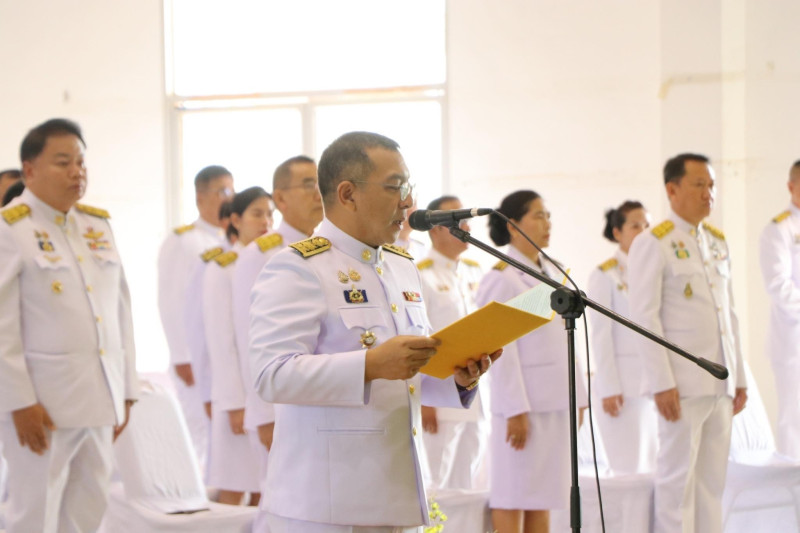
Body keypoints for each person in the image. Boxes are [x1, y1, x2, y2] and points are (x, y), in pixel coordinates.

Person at [249, 131, 500, 532]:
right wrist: (368, 365)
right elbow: (271, 374)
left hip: (398, 494)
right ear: (348, 194)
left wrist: (457, 376)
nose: (408, 202)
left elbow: (408, 374)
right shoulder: (298, 266)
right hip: (327, 505)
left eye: (408, 187)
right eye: (395, 187)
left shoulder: (402, 266)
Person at [0, 118, 139, 532]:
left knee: (88, 511)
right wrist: (19, 402)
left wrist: (127, 390)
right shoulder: (11, 229)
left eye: (80, 162)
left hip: (100, 398)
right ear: (29, 170)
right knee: (34, 514)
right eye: (63, 163)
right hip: (42, 407)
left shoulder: (97, 226)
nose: (77, 172)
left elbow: (120, 311)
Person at [628, 153, 747, 533]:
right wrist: (662, 382)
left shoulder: (716, 241)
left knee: (711, 485)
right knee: (677, 484)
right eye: (699, 185)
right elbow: (645, 318)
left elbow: (729, 314)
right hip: (681, 386)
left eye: (711, 185)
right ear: (672, 189)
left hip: (719, 383)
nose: (708, 193)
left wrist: (739, 378)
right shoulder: (654, 242)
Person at [476, 189, 587, 533]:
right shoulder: (502, 277)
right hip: (523, 407)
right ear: (513, 225)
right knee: (513, 494)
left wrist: (579, 397)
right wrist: (515, 409)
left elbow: (564, 340)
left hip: (554, 402)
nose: (546, 223)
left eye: (548, 215)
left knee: (544, 496)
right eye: (538, 216)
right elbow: (499, 349)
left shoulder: (555, 274)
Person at [231, 157, 322, 499]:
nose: (318, 193)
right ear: (280, 198)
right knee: (282, 502)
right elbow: (249, 338)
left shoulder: (330, 249)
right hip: (279, 407)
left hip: (320, 400)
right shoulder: (260, 254)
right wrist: (264, 413)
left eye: (321, 183)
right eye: (308, 184)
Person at [157, 165, 233, 470]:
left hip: (220, 354)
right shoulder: (184, 241)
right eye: (223, 191)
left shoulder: (229, 241)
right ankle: (192, 491)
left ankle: (214, 489)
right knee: (197, 430)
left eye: (232, 190)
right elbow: (170, 301)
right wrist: (181, 356)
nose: (230, 197)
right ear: (201, 197)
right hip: (194, 356)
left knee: (221, 432)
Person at [203, 187, 272, 505]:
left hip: (266, 394)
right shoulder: (223, 268)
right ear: (235, 220)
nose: (266, 221)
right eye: (257, 214)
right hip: (239, 396)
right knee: (233, 486)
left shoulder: (274, 262)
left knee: (264, 489)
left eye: (270, 214)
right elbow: (222, 340)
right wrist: (234, 404)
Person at [417, 194, 489, 491]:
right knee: (437, 479)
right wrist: (424, 402)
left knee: (470, 477)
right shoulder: (421, 274)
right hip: (441, 392)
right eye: (458, 221)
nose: (467, 228)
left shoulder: (474, 270)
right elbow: (419, 338)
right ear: (435, 229)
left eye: (467, 221)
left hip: (476, 388)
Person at [587, 200, 658, 475]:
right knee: (628, 467)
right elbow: (601, 335)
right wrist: (609, 387)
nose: (644, 232)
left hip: (654, 383)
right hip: (623, 387)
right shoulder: (605, 275)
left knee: (654, 467)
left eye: (647, 225)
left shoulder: (654, 269)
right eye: (635, 226)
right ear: (617, 233)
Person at [758, 159, 800, 460]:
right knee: (795, 419)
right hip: (793, 341)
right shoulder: (779, 229)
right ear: (791, 186)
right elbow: (778, 285)